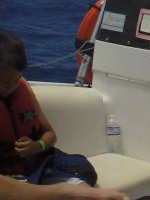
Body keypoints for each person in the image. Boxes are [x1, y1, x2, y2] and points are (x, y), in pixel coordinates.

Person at [0, 31, 98, 189]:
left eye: (16, 80)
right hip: (8, 177)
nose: (12, 86)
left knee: (81, 181)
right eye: (5, 82)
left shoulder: (22, 90)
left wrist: (37, 146)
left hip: (38, 165)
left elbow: (50, 135)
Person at [0, 176, 127, 200]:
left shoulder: (32, 103)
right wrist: (63, 192)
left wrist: (39, 144)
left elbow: (50, 134)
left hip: (43, 164)